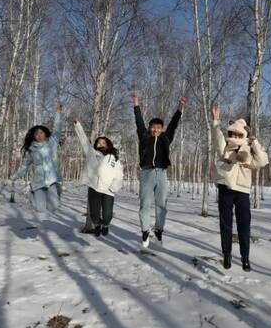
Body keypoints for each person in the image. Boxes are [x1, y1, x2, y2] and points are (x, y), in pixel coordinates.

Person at [210, 103, 268, 271]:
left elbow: (263, 161)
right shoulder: (225, 147)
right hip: (225, 189)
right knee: (225, 225)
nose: (234, 135)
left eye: (238, 133)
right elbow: (217, 137)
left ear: (243, 134)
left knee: (244, 225)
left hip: (242, 191)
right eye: (232, 133)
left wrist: (253, 140)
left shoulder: (250, 149)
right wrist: (215, 120)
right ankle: (226, 255)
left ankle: (245, 258)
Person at [133, 92, 186, 248]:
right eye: (153, 127)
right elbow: (138, 121)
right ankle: (144, 231)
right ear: (150, 128)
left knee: (161, 205)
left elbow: (174, 124)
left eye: (158, 128)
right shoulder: (144, 136)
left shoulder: (166, 138)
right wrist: (136, 104)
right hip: (147, 173)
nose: (155, 130)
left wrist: (180, 107)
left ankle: (159, 230)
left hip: (162, 173)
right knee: (145, 204)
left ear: (162, 129)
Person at [10, 103, 65, 215]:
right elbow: (24, 166)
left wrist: (58, 112)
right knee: (39, 208)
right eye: (36, 134)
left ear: (45, 134)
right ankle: (31, 193)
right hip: (38, 181)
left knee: (54, 206)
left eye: (41, 133)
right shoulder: (31, 149)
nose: (39, 135)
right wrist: (15, 175)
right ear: (33, 136)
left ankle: (57, 190)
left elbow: (57, 128)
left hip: (51, 180)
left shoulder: (52, 142)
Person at [73, 120, 124, 237]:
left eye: (103, 143)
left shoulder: (114, 158)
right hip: (94, 187)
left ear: (108, 144)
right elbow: (84, 140)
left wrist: (114, 187)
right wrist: (78, 126)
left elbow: (119, 174)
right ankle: (96, 225)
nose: (101, 144)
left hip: (108, 190)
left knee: (107, 215)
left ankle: (105, 225)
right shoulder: (91, 153)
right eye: (98, 143)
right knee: (94, 214)